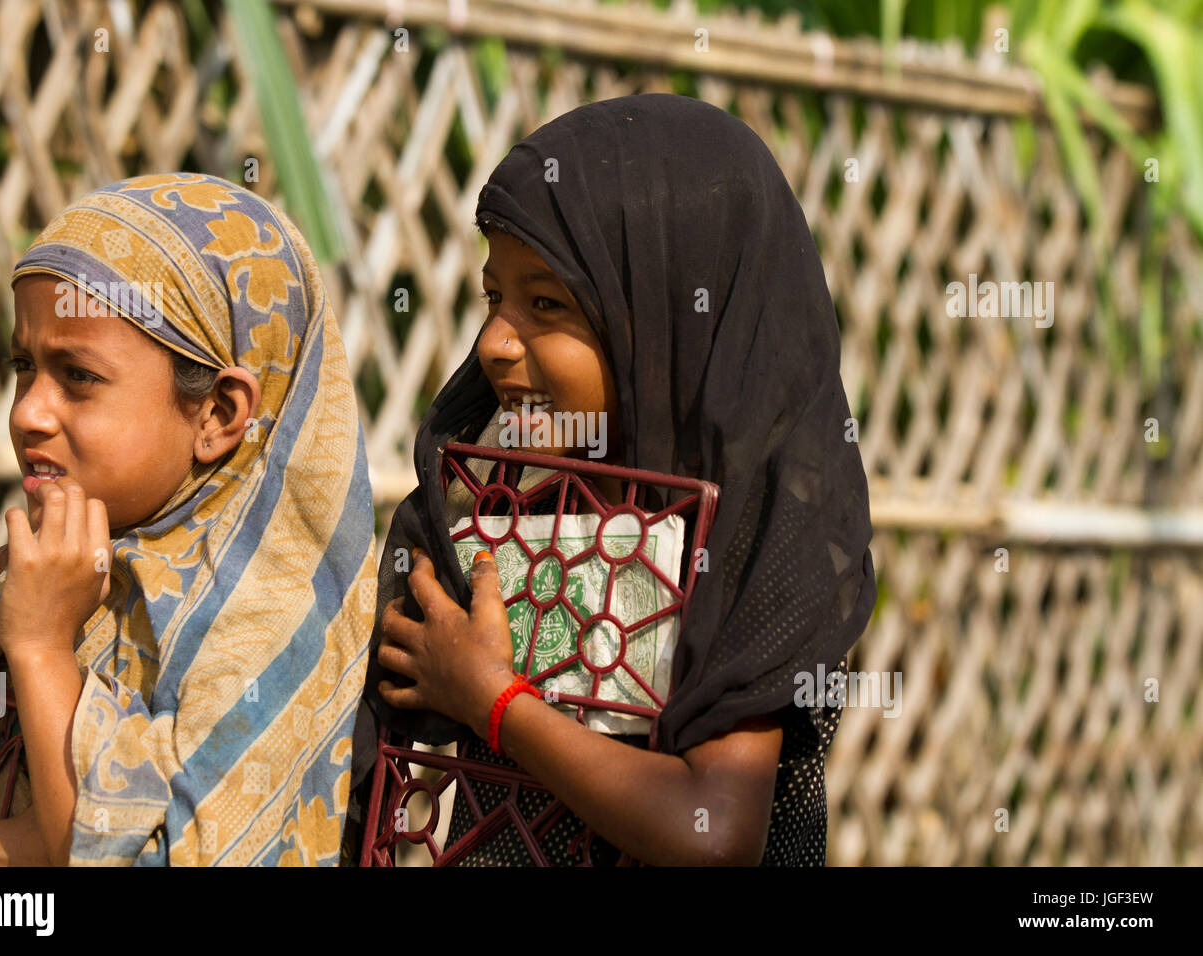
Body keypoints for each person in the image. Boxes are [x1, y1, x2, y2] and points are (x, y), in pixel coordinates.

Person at [346, 94, 877, 866]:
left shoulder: (754, 544)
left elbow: (715, 832)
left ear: (666, 321)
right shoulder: (495, 509)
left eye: (547, 304)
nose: (495, 341)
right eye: (494, 297)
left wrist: (494, 700)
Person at [0, 172, 378, 866]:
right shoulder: (78, 571)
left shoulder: (267, 624)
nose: (28, 413)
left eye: (78, 376)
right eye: (23, 365)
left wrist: (38, 647)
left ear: (217, 415)